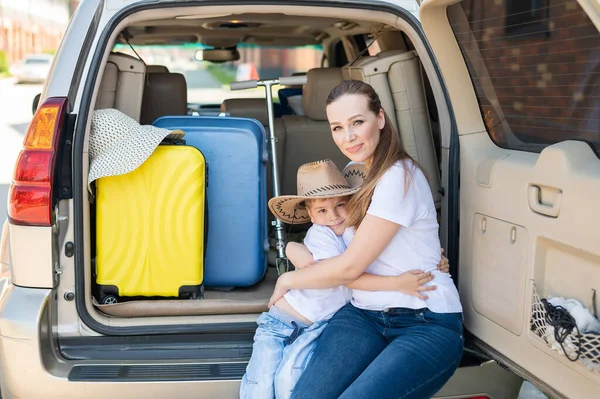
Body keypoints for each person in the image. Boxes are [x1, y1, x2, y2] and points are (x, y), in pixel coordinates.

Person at [268, 80, 464, 399]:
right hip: (364, 314)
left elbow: (348, 268)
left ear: (380, 119)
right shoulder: (353, 174)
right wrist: (293, 248)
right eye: (338, 127)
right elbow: (331, 235)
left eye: (358, 122)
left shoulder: (398, 175)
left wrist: (289, 279)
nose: (349, 137)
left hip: (425, 320)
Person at [240, 159, 445, 399]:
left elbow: (387, 253)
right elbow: (341, 274)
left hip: (318, 327)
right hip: (282, 323)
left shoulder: (357, 233)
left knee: (290, 383)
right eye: (322, 211)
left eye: (341, 205)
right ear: (310, 215)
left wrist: (429, 261)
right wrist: (397, 282)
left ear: (353, 203)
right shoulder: (321, 234)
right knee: (260, 387)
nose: (334, 216)